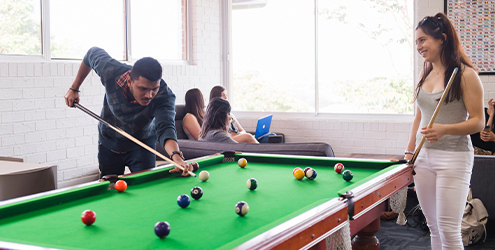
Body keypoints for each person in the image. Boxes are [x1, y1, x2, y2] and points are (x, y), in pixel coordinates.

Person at [404, 13, 485, 249]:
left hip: (454, 157)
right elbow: (419, 116)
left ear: (442, 39)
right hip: (423, 159)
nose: (418, 46)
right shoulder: (425, 74)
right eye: (416, 41)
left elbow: (479, 122)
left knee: (449, 231)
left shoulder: (466, 75)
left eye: (423, 40)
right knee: (433, 228)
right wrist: (410, 150)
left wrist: (445, 130)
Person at [64, 47, 193, 177]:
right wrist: (74, 88)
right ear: (129, 81)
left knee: (145, 187)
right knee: (111, 188)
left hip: (142, 145)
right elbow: (91, 53)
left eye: (154, 89)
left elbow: (165, 127)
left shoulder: (164, 96)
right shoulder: (110, 71)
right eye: (143, 88)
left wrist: (176, 157)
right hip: (109, 142)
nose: (149, 95)